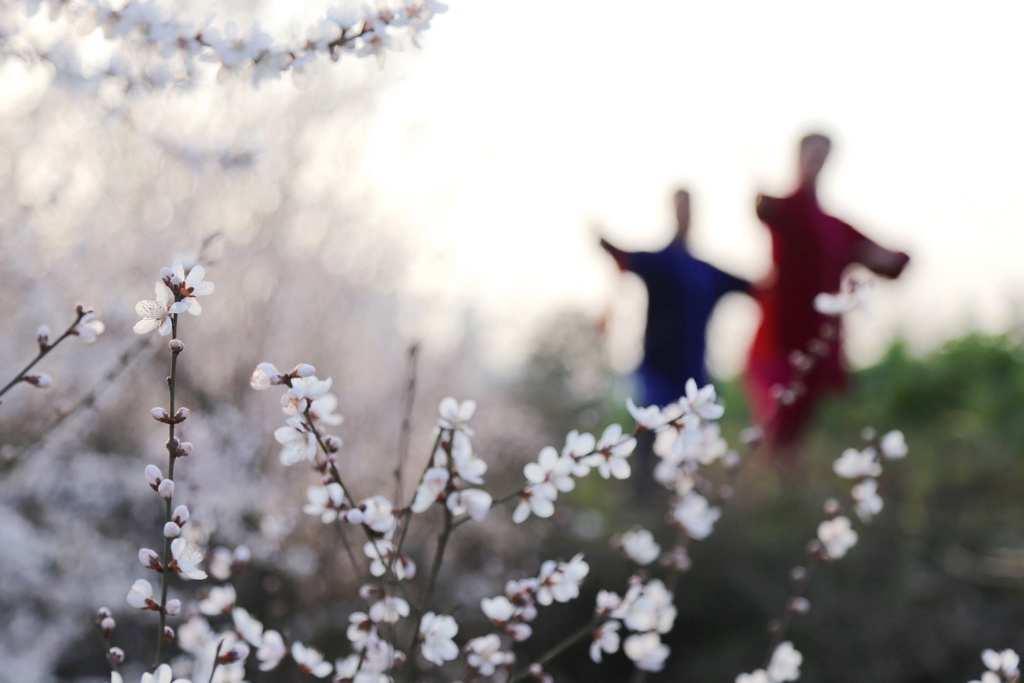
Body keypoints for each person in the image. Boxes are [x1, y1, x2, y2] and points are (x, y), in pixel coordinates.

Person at [745, 133, 910, 456]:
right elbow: (767, 211)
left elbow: (891, 259)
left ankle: (782, 498)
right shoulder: (786, 210)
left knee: (795, 438)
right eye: (810, 154)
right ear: (798, 158)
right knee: (775, 429)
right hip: (777, 345)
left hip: (816, 348)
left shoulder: (834, 228)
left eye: (822, 156)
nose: (815, 162)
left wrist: (886, 258)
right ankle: (764, 495)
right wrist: (762, 205)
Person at [599, 189, 750, 407]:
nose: (684, 213)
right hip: (656, 376)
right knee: (650, 433)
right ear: (672, 210)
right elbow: (622, 256)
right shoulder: (659, 263)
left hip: (694, 377)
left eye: (688, 207)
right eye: (680, 207)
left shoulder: (707, 274)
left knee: (694, 437)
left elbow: (754, 287)